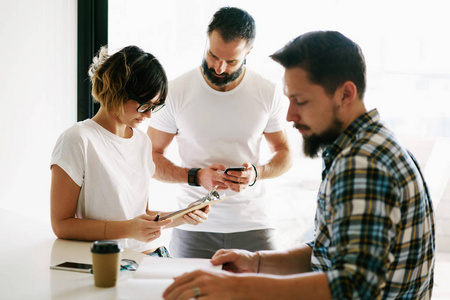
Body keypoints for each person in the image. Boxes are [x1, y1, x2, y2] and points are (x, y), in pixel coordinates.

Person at [162, 31, 435, 299]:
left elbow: (354, 286)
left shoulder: (362, 164)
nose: (291, 115)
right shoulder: (373, 144)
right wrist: (256, 262)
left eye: (300, 101)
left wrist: (237, 288)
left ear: (346, 94)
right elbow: (328, 252)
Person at [147, 6, 292, 258]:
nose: (220, 68)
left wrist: (257, 174)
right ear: (207, 41)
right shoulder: (176, 91)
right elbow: (148, 157)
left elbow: (284, 153)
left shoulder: (267, 91)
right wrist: (195, 176)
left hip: (254, 224)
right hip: (192, 225)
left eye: (231, 61)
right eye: (213, 56)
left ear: (249, 52)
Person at [50, 45, 210, 255]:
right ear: (118, 90)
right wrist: (128, 229)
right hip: (114, 264)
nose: (149, 115)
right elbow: (61, 225)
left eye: (155, 107)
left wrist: (182, 216)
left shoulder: (142, 142)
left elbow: (139, 216)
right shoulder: (78, 139)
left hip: (152, 256)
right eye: (144, 105)